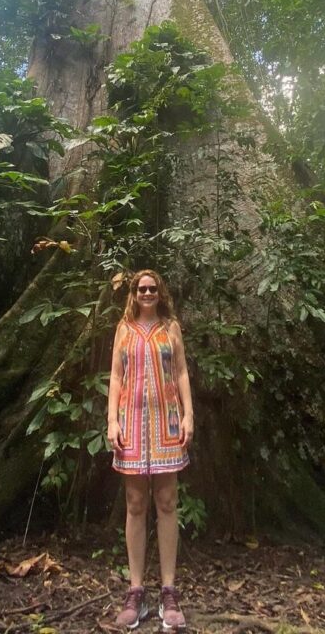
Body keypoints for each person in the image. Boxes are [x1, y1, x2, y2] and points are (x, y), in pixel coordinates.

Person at [107, 269, 194, 630]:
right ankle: (136, 591)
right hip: (131, 423)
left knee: (168, 501)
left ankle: (169, 592)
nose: (147, 292)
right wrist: (111, 420)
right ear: (133, 292)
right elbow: (115, 376)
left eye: (152, 288)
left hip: (167, 424)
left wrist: (189, 414)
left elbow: (182, 373)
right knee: (135, 503)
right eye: (141, 288)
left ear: (160, 292)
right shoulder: (124, 329)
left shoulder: (170, 327)